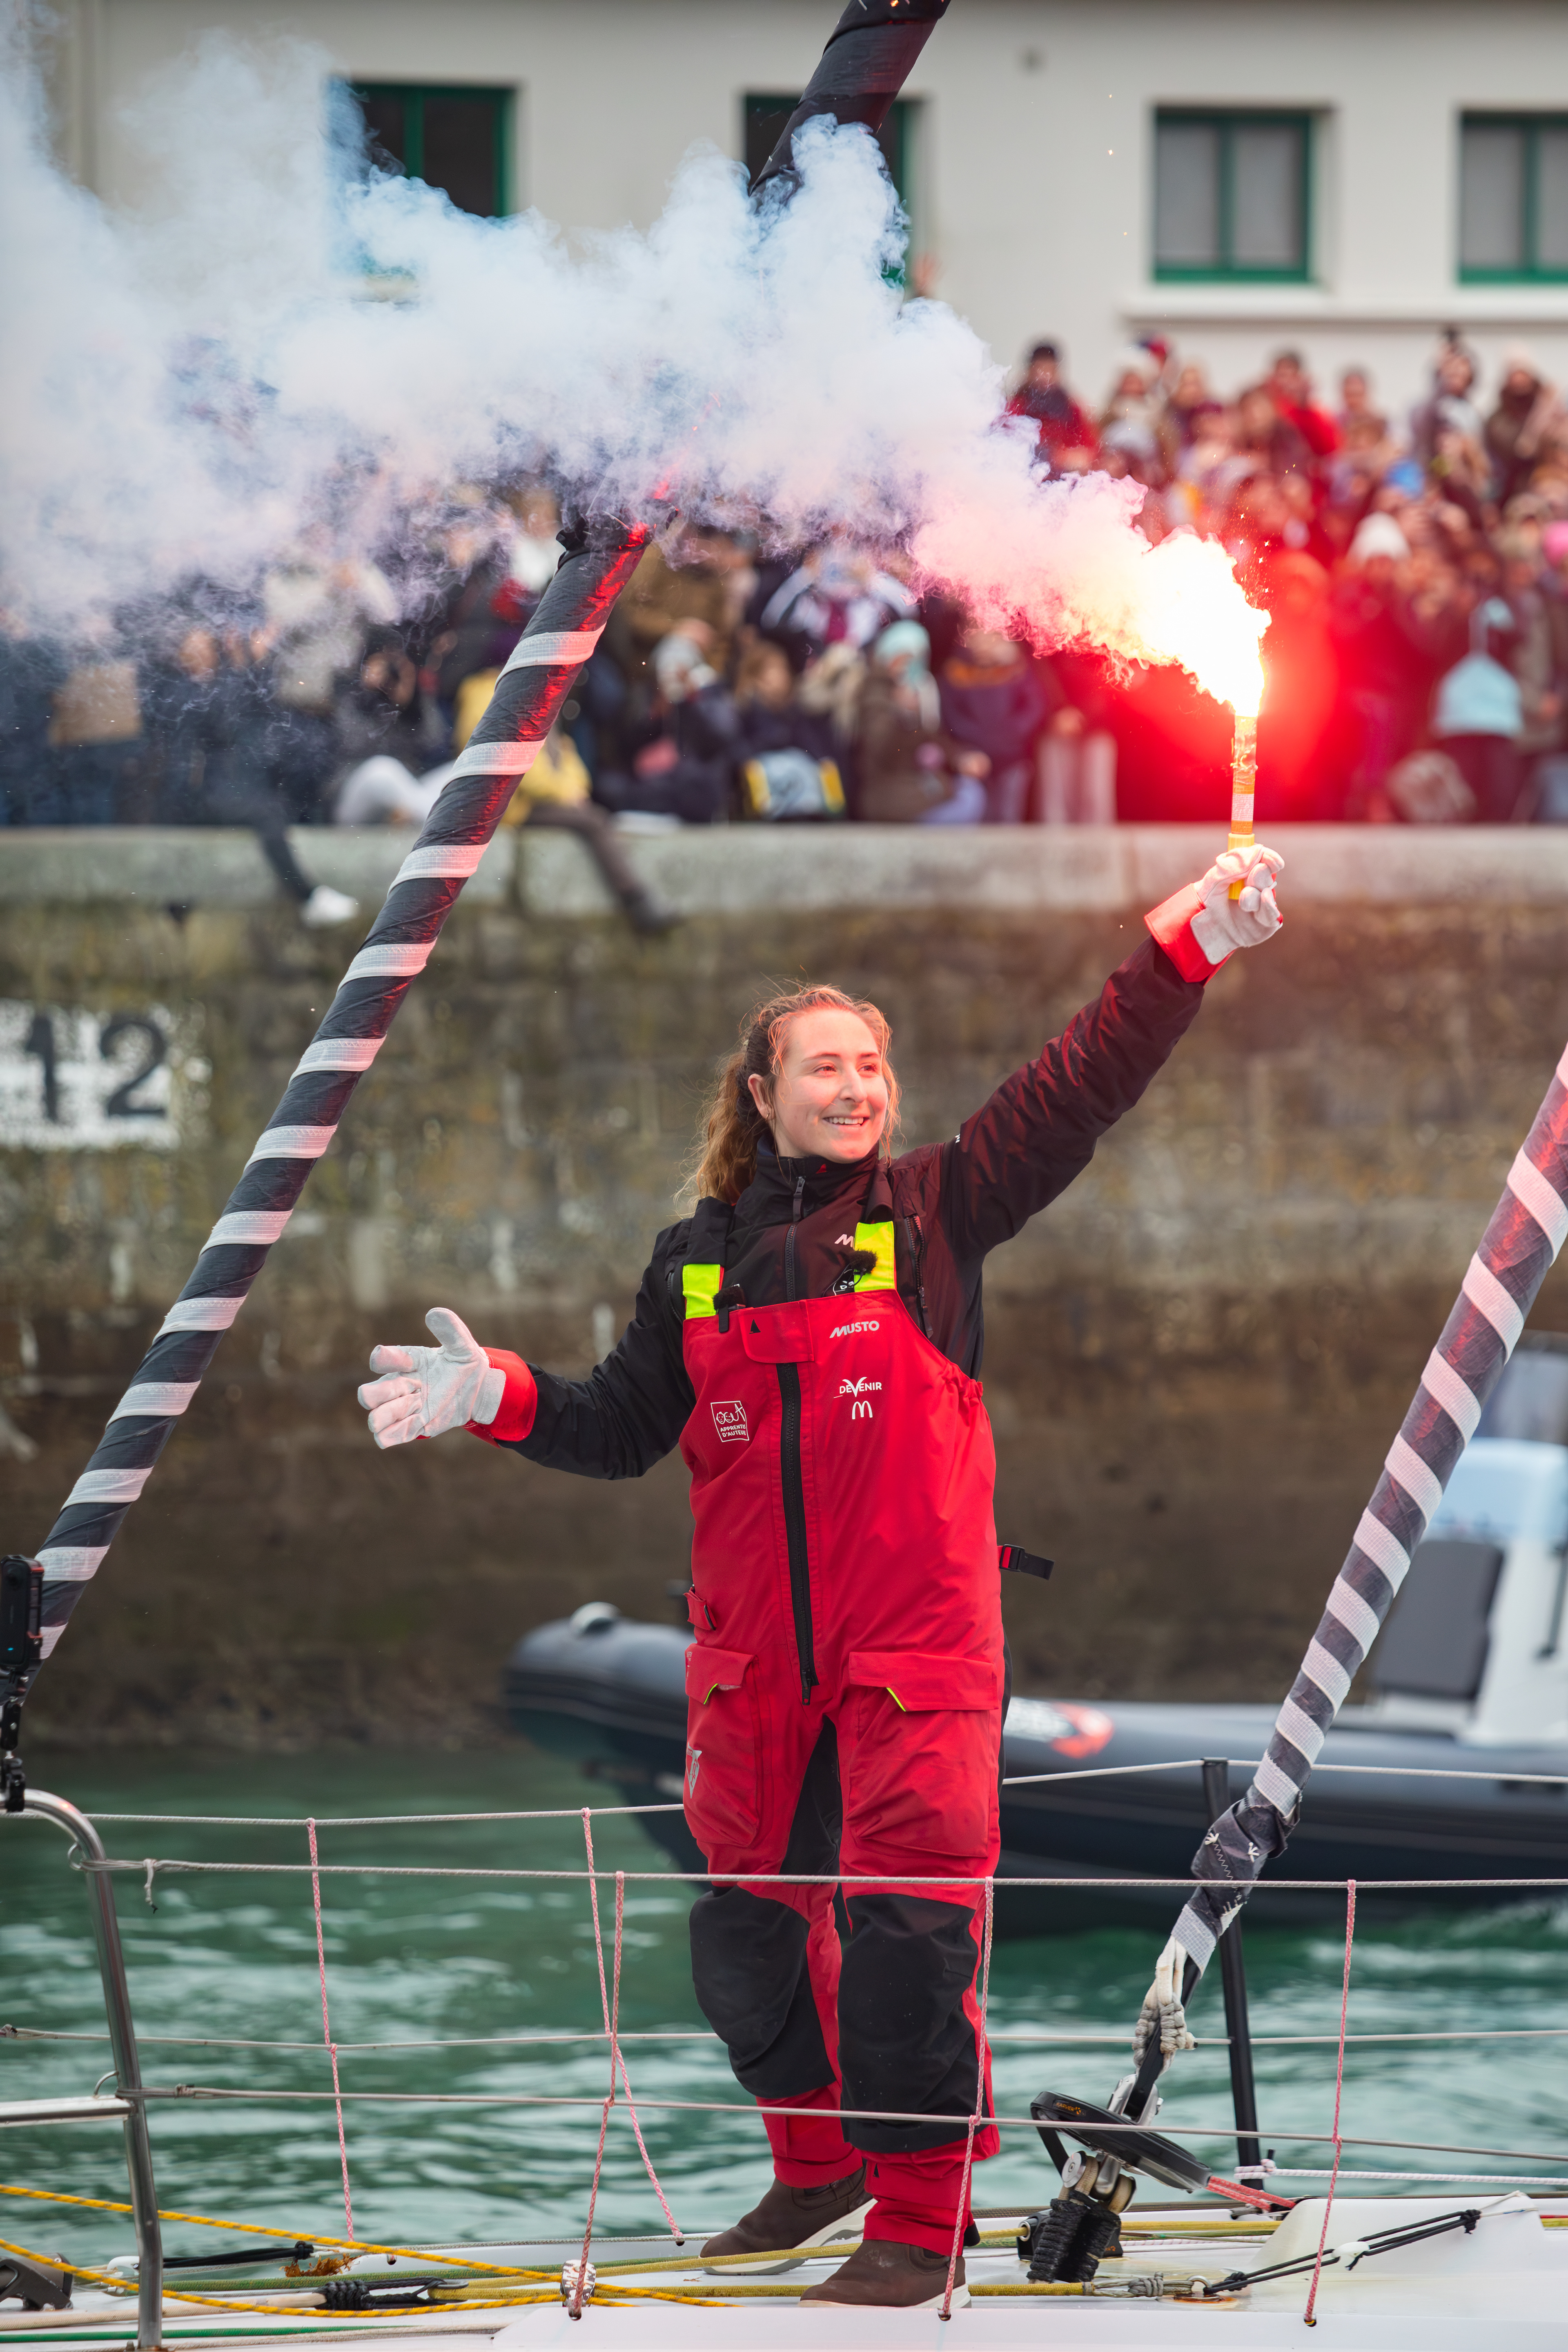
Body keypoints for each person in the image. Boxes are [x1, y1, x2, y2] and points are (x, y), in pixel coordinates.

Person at [354, 848, 1287, 2307]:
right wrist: (501, 1393)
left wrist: (1180, 951)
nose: (859, 1085)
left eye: (873, 1064)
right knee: (742, 1940)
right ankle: (817, 2163)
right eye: (828, 1064)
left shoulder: (935, 1213)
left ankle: (919, 2220)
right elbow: (619, 1425)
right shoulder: (697, 1262)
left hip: (912, 1651)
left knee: (911, 1942)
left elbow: (1079, 1082)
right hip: (753, 1666)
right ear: (764, 1091)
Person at [1004, 342, 1097, 472]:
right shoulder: (1016, 408)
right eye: (1040, 370)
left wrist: (1070, 457)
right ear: (1030, 372)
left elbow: (1091, 450)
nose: (1045, 377)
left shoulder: (1072, 410)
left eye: (1050, 371)